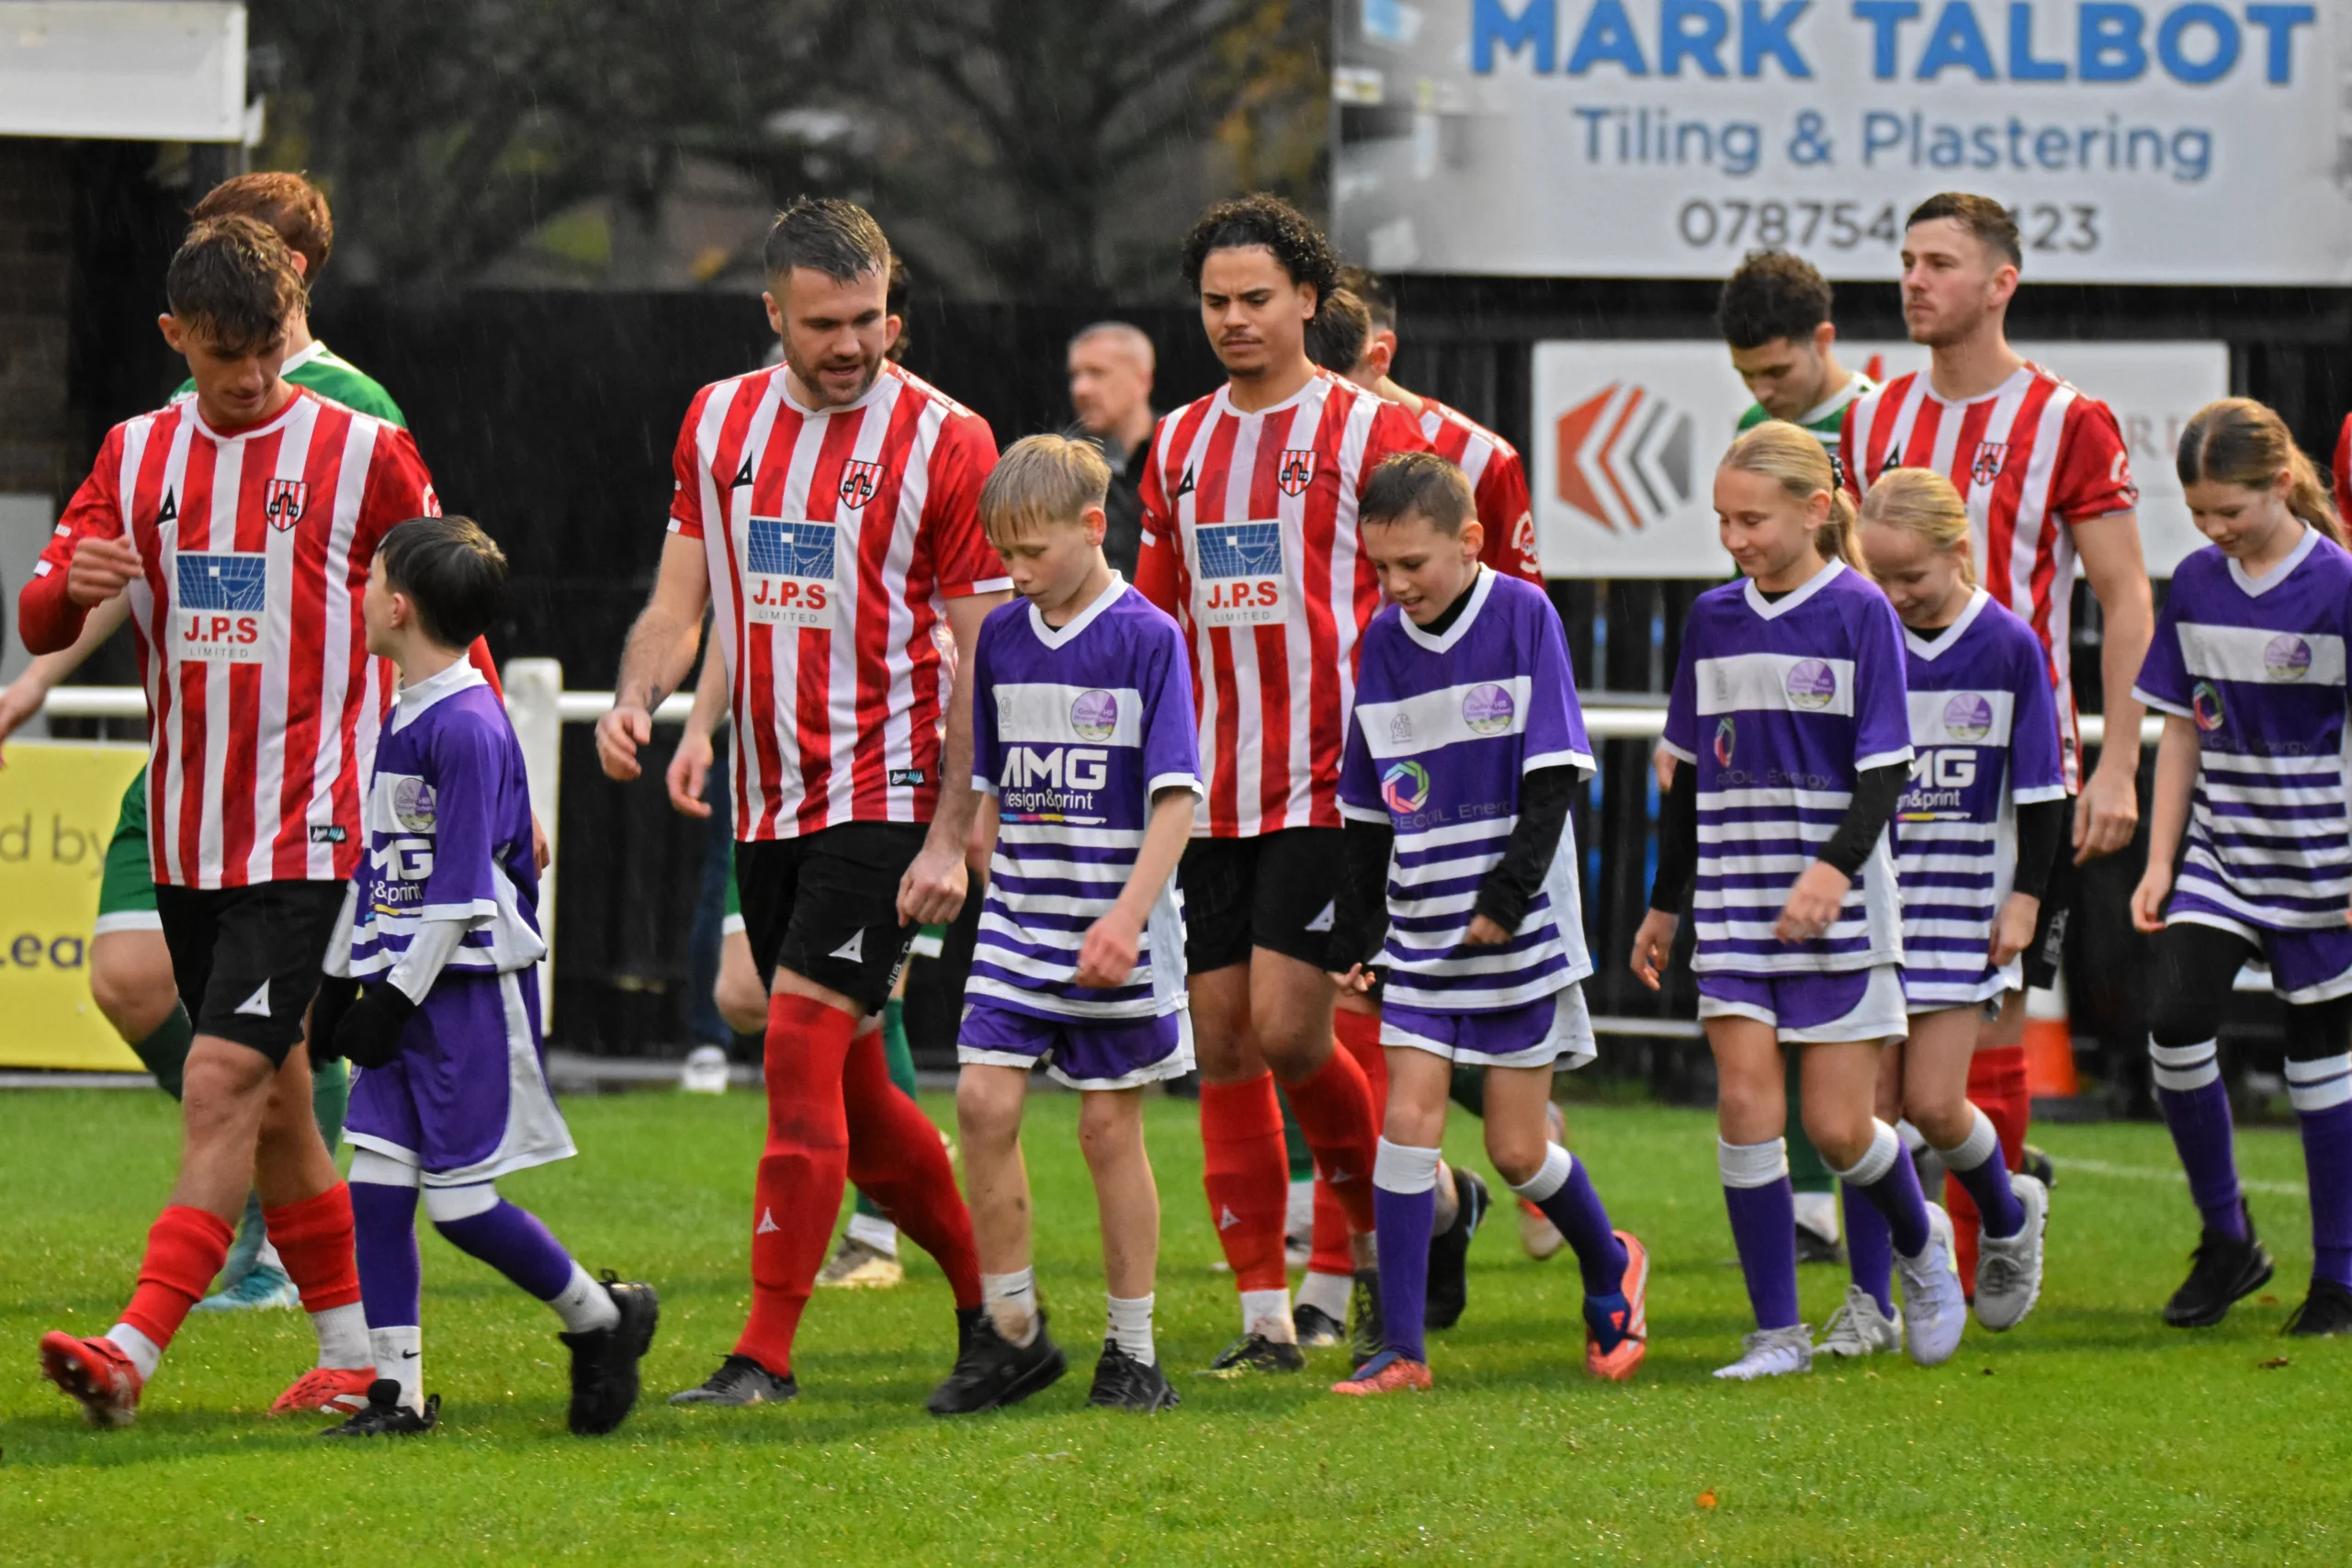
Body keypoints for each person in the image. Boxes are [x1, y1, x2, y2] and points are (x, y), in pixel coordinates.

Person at [26, 216, 469, 1426]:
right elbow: (39, 616)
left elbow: (447, 604)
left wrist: (477, 790)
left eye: (270, 347)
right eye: (226, 353)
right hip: (189, 833)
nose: (253, 376)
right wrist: (64, 587)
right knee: (272, 1102)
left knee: (220, 1078)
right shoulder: (136, 452)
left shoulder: (363, 447)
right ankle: (356, 1351)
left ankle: (132, 1348)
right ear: (176, 337)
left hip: (318, 827)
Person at [594, 197, 991, 1408]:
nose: (853, 344)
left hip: (887, 792)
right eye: (824, 323)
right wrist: (643, 699)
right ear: (774, 312)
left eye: (870, 318)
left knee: (799, 1051)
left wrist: (952, 825)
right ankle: (999, 1315)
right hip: (770, 803)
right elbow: (683, 599)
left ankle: (764, 1350)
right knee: (865, 1104)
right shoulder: (719, 420)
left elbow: (983, 654)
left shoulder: (947, 438)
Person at [1135, 194, 1430, 1373]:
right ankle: (1265, 1317)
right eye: (1215, 302)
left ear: (1310, 299)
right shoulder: (1178, 444)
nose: (1234, 320)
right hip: (1214, 787)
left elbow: (1425, 600)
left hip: (1328, 782)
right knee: (1220, 1041)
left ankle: (1389, 1232)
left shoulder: (1369, 437)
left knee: (1292, 1028)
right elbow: (1157, 618)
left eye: (1256, 298)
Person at [1843, 193, 2152, 1287]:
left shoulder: (2068, 418)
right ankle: (1901, 1277)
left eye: (1939, 263)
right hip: (1886, 760)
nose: (1914, 280)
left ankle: (1990, 1252)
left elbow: (2122, 599)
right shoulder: (1871, 418)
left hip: (2003, 764)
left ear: (2000, 283)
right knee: (1875, 1022)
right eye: (1907, 261)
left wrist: (2115, 759)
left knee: (1994, 1005)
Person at [1629, 422, 1963, 1381]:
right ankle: (1775, 1333)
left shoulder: (1860, 611)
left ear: (1815, 512)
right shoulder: (1711, 619)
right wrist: (1665, 903)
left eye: (1754, 519)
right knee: (1742, 1102)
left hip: (1841, 913)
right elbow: (1688, 776)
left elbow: (1886, 771)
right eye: (1723, 520)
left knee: (1837, 1130)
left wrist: (1831, 871)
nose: (1735, 539)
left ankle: (1919, 1242)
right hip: (1734, 905)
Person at [321, 515, 659, 1436]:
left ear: (397, 606)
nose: (360, 589)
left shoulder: (467, 726)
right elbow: (383, 867)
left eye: (371, 575)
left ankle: (602, 1316)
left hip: (464, 993)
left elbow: (461, 892)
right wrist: (336, 983)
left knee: (462, 1205)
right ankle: (395, 1392)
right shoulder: (406, 707)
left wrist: (388, 999)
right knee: (376, 1188)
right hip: (403, 986)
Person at [1325, 453, 1645, 1396]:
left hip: (1518, 926)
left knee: (1512, 1149)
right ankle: (1403, 1351)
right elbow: (1368, 807)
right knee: (1407, 1123)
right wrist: (1356, 931)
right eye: (1379, 569)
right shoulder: (1382, 643)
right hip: (1423, 929)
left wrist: (1505, 900)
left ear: (1470, 542)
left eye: (1413, 565)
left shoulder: (1522, 615)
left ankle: (1608, 1261)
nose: (1395, 588)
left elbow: (1552, 775)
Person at [924, 434, 1199, 1415]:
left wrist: (1126, 917)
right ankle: (1010, 1331)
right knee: (983, 1107)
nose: (1016, 573)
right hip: (1022, 923)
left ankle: (1133, 1353)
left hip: (1113, 927)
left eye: (1032, 552)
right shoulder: (999, 636)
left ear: (1092, 529)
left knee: (1104, 1130)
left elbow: (1176, 801)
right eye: (1004, 555)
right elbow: (990, 779)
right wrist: (982, 856)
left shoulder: (1147, 638)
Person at [2128, 399, 2352, 1338]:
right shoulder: (2196, 582)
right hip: (2224, 852)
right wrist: (2159, 859)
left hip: (2324, 859)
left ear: (2281, 484)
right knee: (2173, 1026)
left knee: (2321, 1067)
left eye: (2231, 511)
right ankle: (2228, 1239)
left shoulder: (2338, 583)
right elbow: (2182, 726)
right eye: (2200, 516)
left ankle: (2337, 1278)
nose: (2215, 530)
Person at [1825, 468, 2060, 1358]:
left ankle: (2008, 1212)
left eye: (1910, 578)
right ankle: (1868, 1300)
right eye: (1875, 577)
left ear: (1957, 553)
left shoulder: (2005, 645)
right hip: (1868, 905)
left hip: (1963, 909)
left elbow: (2041, 793)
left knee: (1930, 1103)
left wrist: (2026, 899)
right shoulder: (1859, 632)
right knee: (1863, 1112)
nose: (1891, 596)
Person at [1706, 249, 1881, 1264]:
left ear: (1823, 342)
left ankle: (1941, 1186)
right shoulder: (1752, 440)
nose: (1762, 397)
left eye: (1775, 374)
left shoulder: (1878, 419)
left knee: (1866, 982)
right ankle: (1811, 1207)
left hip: (1857, 723)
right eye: (1746, 381)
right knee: (1767, 962)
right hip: (1768, 723)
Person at [672, 647, 932, 1289]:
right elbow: (734, 615)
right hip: (775, 781)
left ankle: (876, 1231)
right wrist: (700, 727)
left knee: (871, 1002)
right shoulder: (749, 548)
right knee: (742, 994)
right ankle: (906, 1145)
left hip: (883, 770)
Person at [1321, 270, 1544, 584]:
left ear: (1379, 356)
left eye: (1331, 378)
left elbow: (1517, 613)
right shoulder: (1273, 444)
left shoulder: (1484, 461)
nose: (1318, 393)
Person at [1065, 322, 1157, 579]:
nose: (1080, 389)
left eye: (1097, 373)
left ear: (1142, 380)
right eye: (1075, 375)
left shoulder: (1185, 450)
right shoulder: (1058, 465)